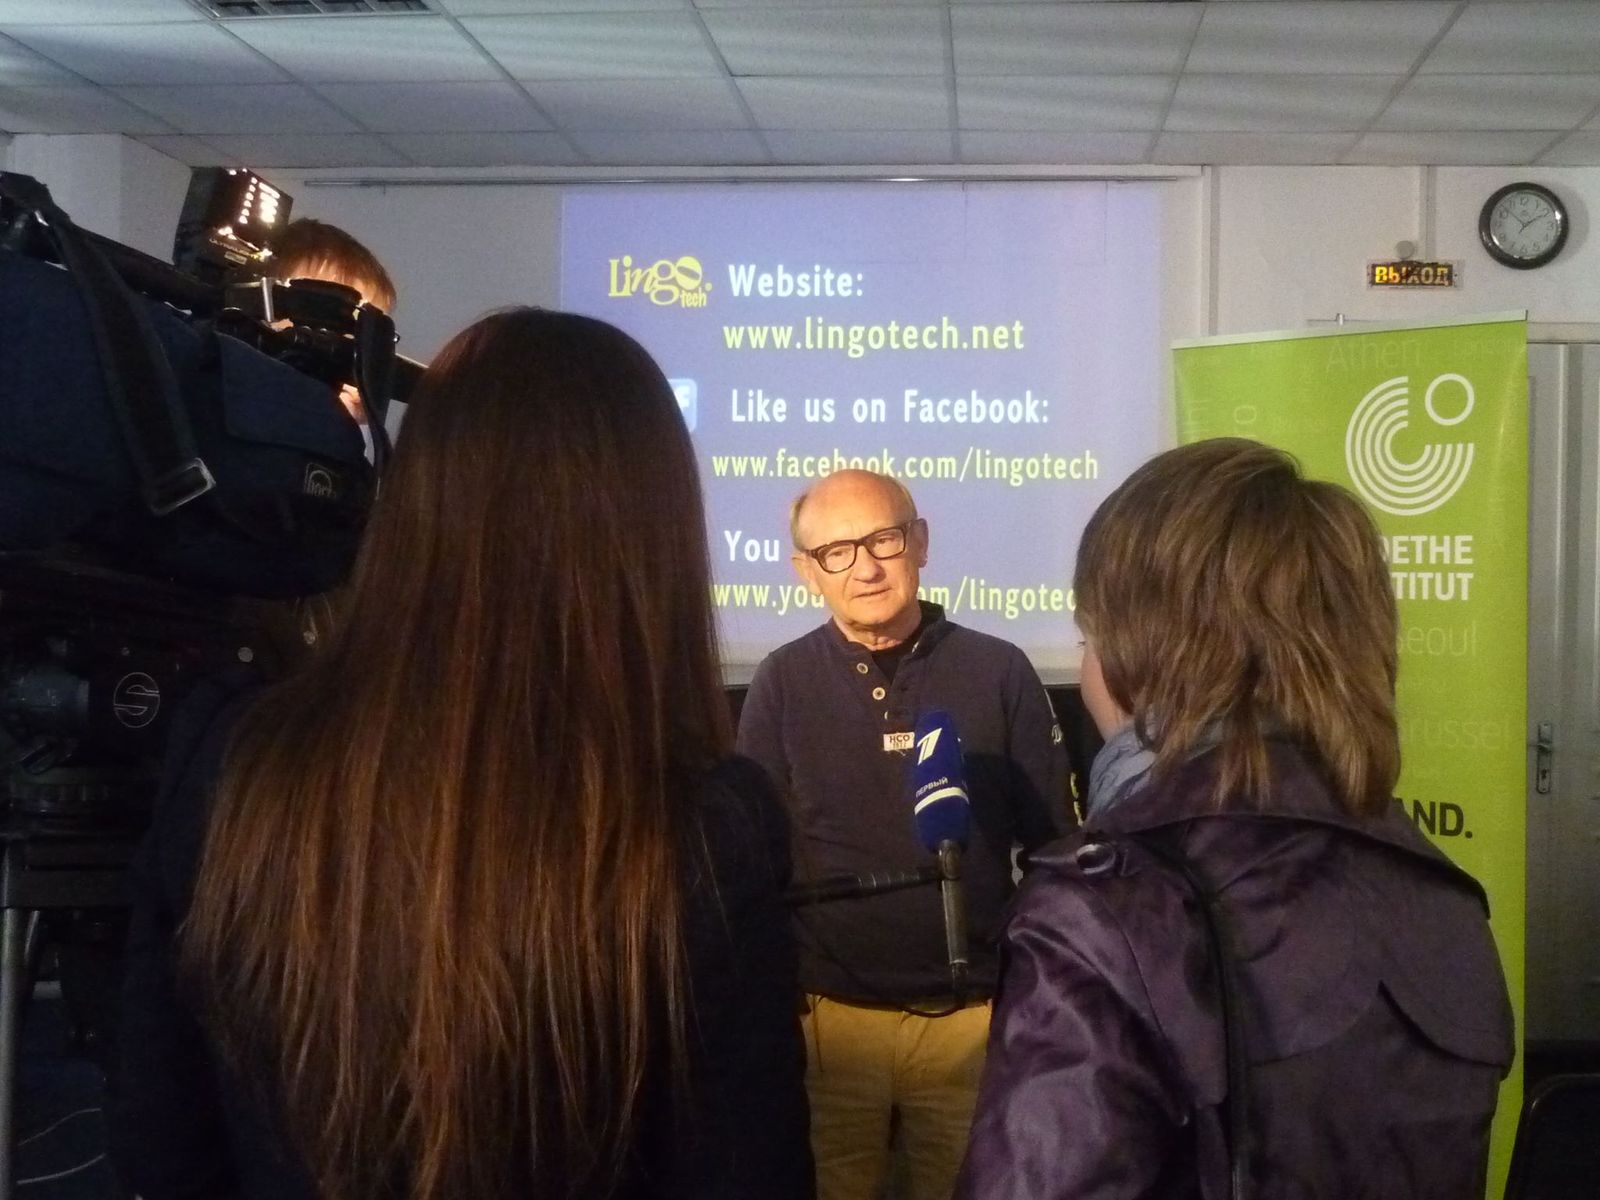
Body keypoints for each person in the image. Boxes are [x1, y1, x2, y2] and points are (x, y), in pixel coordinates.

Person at [110, 308, 813, 1200]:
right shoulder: (706, 823)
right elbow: (747, 1173)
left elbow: (160, 1140)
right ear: (652, 532)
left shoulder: (233, 758)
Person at [956, 438, 1515, 1199]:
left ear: (1141, 652)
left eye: (1087, 638)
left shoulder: (1104, 909)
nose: (1085, 667)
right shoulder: (1445, 899)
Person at [737, 469, 1072, 1200]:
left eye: (883, 540)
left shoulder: (999, 669)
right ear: (806, 572)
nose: (865, 566)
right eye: (837, 552)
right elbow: (753, 862)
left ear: (919, 542)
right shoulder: (781, 681)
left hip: (971, 1021)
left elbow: (1054, 847)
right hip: (830, 1020)